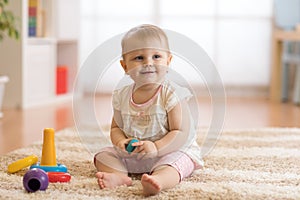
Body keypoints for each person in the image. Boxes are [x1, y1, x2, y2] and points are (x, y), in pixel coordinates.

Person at [94, 24, 203, 196]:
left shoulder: (172, 94)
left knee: (178, 162)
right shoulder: (121, 96)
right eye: (138, 58)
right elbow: (116, 128)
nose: (148, 63)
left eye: (156, 56)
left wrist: (157, 147)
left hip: (170, 151)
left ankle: (159, 180)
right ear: (125, 66)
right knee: (102, 155)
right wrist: (120, 142)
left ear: (168, 61)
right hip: (135, 154)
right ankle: (119, 176)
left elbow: (180, 132)